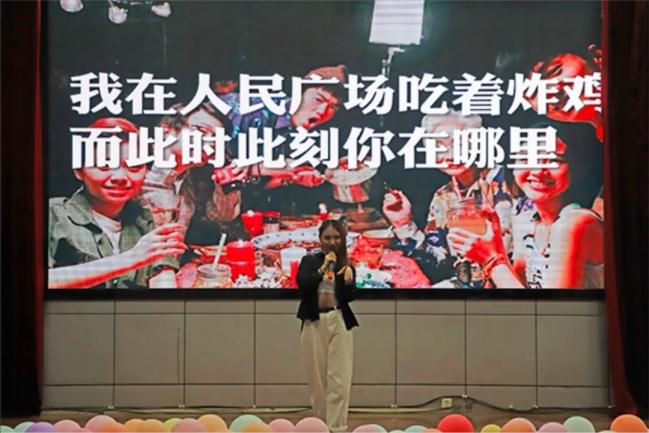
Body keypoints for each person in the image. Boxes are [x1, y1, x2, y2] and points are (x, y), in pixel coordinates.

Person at [447, 120, 603, 289]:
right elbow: (519, 290)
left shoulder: (575, 223)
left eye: (554, 160)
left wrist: (491, 260)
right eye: (526, 159)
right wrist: (497, 247)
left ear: (575, 169)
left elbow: (555, 305)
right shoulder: (527, 222)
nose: (538, 171)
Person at [49, 118, 186, 288]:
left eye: (134, 166)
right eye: (105, 165)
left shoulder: (144, 218)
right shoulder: (53, 213)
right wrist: (131, 259)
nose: (120, 177)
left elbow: (162, 274)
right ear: (79, 171)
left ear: (146, 171)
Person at [382, 110, 513, 288]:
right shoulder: (443, 196)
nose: (451, 155)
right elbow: (437, 260)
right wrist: (403, 224)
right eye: (440, 148)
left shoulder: (507, 182)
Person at [296, 219, 357, 433]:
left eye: (337, 237)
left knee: (340, 380)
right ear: (320, 239)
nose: (332, 242)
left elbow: (349, 297)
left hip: (339, 320)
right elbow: (303, 286)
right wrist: (323, 268)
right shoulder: (309, 261)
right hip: (314, 321)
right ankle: (320, 426)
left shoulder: (346, 264)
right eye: (328, 237)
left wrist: (349, 281)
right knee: (318, 381)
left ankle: (337, 428)